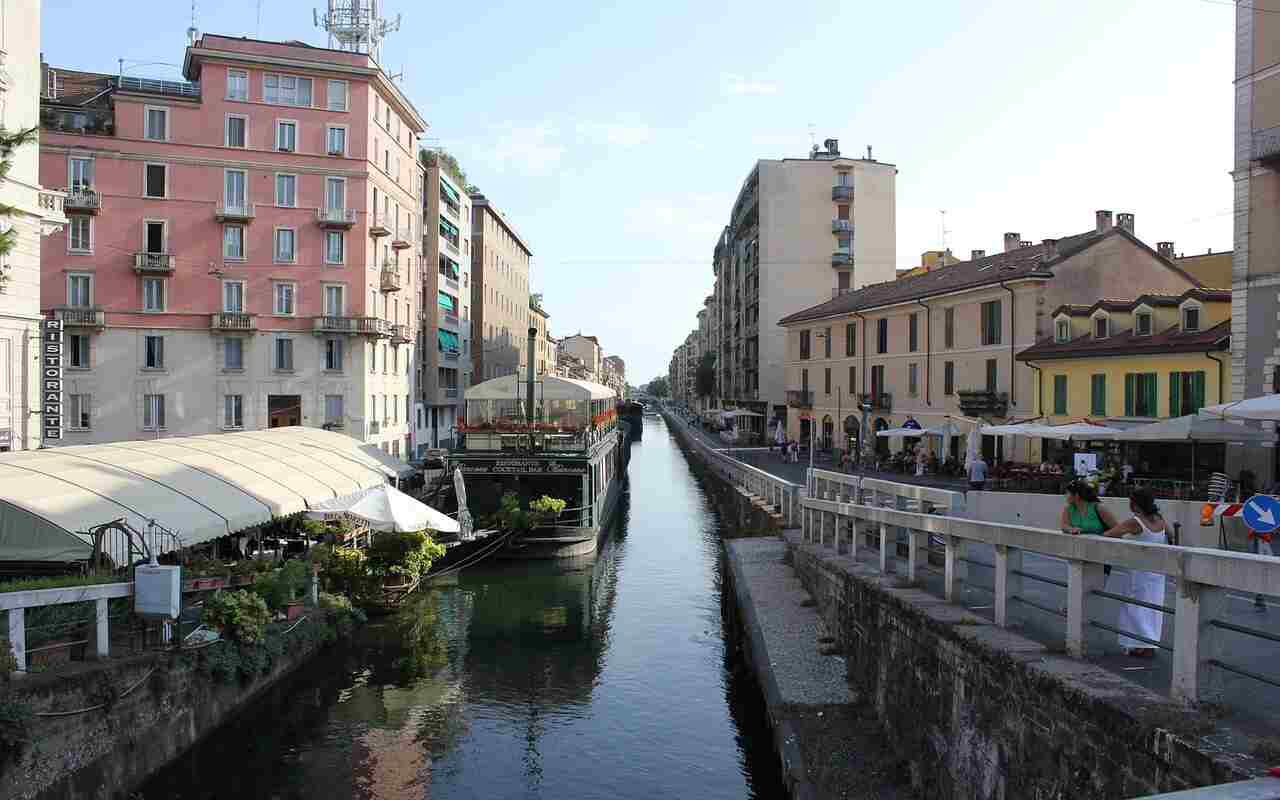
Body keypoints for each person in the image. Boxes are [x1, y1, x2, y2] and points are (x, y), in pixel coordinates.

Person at [1098, 489, 1169, 658]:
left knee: (1134, 607)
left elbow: (1110, 534)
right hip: (1157, 572)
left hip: (1139, 572)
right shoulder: (1160, 520)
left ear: (1135, 503)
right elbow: (1171, 537)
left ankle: (1139, 644)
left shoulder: (1135, 522)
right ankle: (1149, 643)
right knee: (1152, 609)